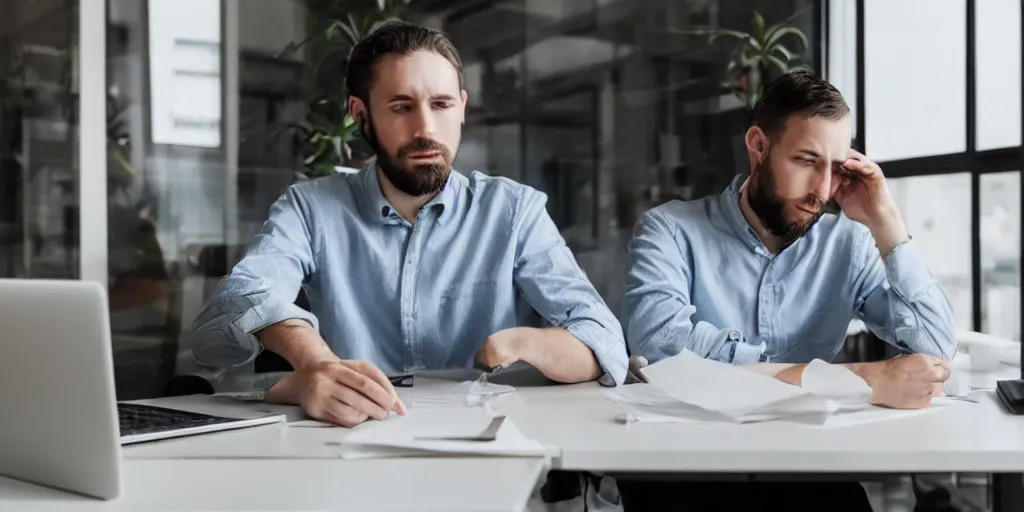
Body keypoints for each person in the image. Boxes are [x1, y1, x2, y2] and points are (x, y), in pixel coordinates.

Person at [189, 20, 628, 428]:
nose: (426, 128)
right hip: (350, 448)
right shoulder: (311, 208)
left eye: (441, 104)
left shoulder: (514, 211)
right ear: (361, 116)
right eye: (401, 107)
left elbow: (604, 343)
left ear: (462, 108)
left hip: (490, 448)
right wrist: (316, 363)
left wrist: (525, 344)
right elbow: (233, 306)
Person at [619, 70, 956, 511]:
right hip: (688, 467)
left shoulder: (849, 245)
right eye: (806, 160)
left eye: (836, 168)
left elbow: (936, 350)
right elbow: (661, 353)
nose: (822, 189)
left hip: (806, 470)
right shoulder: (669, 230)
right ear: (759, 145)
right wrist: (858, 380)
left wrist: (887, 223)